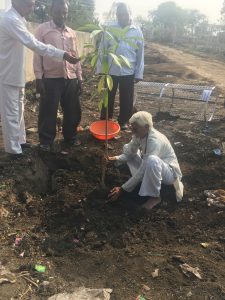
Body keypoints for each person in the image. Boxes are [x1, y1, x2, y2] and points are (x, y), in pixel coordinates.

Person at [0, 0, 80, 158]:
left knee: (18, 111)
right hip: (7, 74)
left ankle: (21, 141)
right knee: (10, 113)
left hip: (16, 73)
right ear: (16, 2)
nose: (32, 8)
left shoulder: (19, 19)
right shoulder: (10, 20)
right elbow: (34, 44)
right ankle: (13, 150)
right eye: (29, 5)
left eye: (33, 4)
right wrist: (61, 54)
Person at [107, 111, 184, 210]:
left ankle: (155, 197)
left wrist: (123, 189)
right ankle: (145, 182)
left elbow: (144, 167)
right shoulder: (140, 134)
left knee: (152, 161)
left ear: (147, 127)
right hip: (154, 167)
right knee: (128, 148)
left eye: (135, 129)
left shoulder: (154, 141)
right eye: (132, 128)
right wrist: (116, 158)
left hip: (169, 174)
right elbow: (130, 152)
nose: (133, 132)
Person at [34, 0, 83, 150]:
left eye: (65, 12)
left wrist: (80, 77)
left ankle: (70, 137)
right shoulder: (42, 30)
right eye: (58, 12)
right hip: (51, 79)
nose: (62, 15)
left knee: (72, 110)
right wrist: (38, 78)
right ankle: (46, 141)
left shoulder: (71, 33)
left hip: (71, 78)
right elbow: (38, 55)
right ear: (51, 11)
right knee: (48, 111)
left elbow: (76, 56)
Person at [96, 2, 144, 131]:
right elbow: (102, 49)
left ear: (130, 14)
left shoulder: (137, 31)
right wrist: (100, 69)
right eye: (119, 14)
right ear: (116, 15)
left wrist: (139, 73)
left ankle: (123, 121)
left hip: (128, 70)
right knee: (108, 96)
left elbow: (140, 54)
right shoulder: (110, 28)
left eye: (125, 14)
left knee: (127, 98)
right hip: (110, 70)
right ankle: (105, 118)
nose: (122, 17)